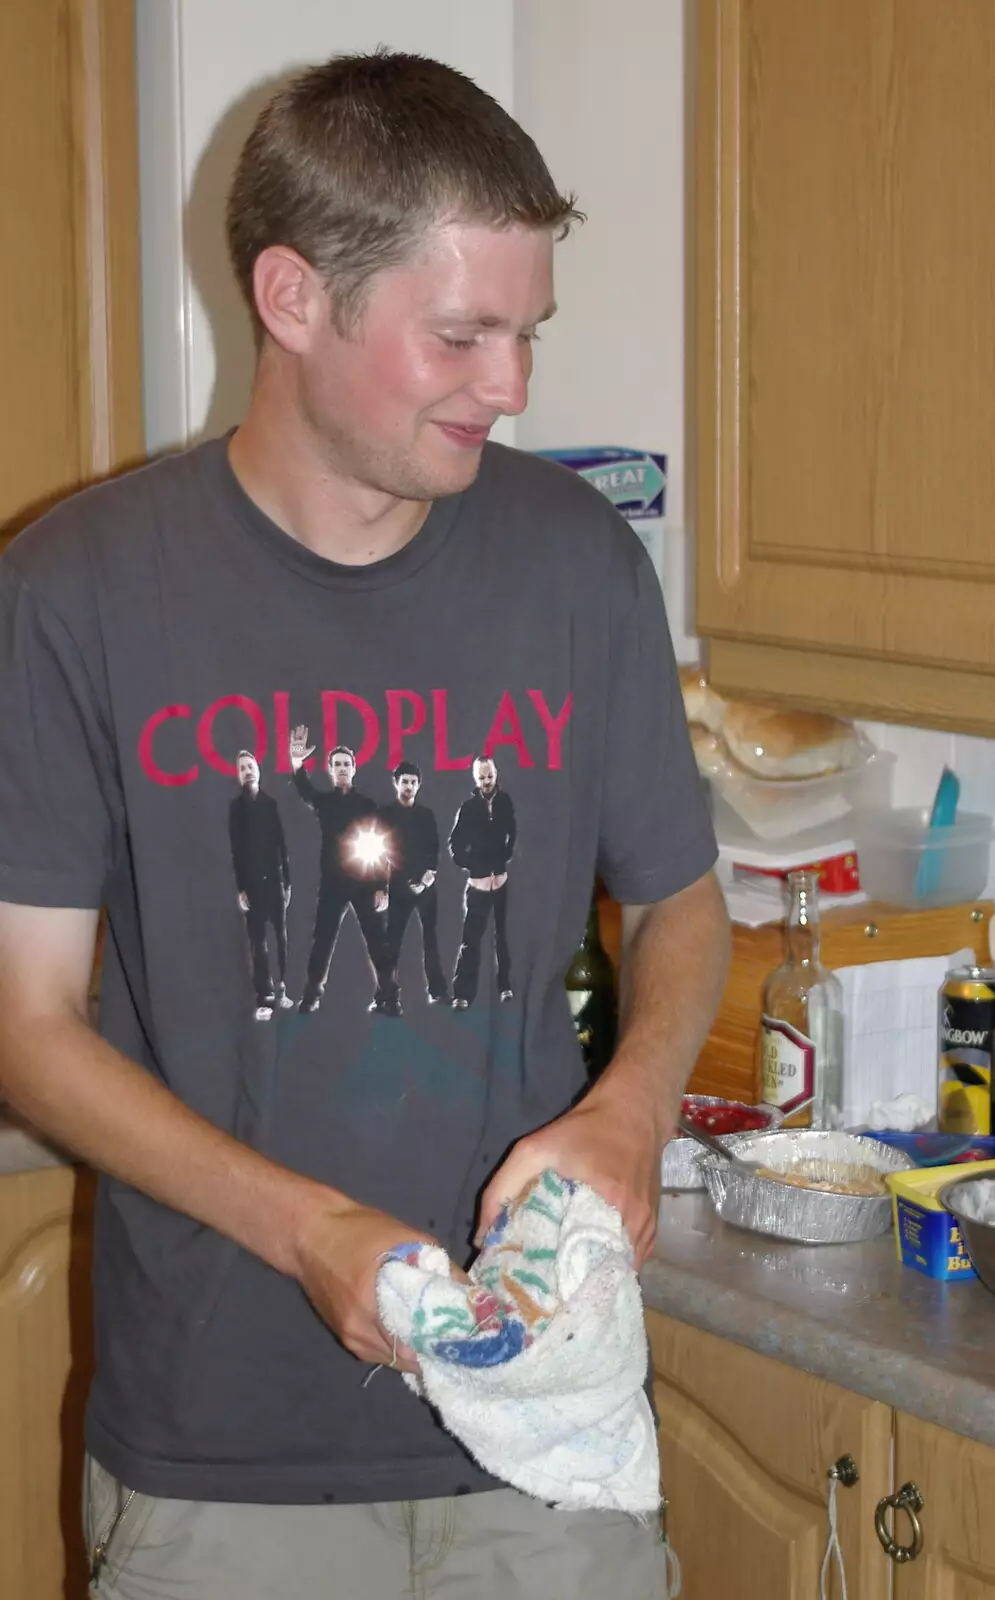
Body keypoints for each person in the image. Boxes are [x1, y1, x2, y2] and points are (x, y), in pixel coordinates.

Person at [0, 49, 730, 1600]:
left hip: (549, 1436)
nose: (512, 386)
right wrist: (309, 1229)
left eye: (526, 331)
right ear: (290, 298)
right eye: (459, 334)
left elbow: (678, 903)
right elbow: (27, 1026)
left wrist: (629, 1109)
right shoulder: (76, 594)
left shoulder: (575, 564)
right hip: (221, 1459)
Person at [290, 727, 398, 1017]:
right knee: (322, 939)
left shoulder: (366, 805)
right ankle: (311, 996)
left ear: (354, 769)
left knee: (377, 941)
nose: (341, 768)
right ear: (329, 770)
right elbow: (305, 791)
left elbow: (381, 845)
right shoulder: (324, 802)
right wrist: (297, 763)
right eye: (336, 764)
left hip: (364, 882)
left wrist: (382, 887)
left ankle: (390, 998)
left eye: (346, 764)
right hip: (333, 884)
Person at [228, 749, 293, 1019]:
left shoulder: (270, 804)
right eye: (241, 767)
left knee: (280, 936)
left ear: (258, 769)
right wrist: (240, 888)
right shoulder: (236, 808)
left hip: (274, 881)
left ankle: (282, 988)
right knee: (257, 940)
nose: (247, 770)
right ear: (238, 775)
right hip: (251, 884)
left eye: (250, 765)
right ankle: (264, 996)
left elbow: (281, 845)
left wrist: (287, 883)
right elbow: (236, 850)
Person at [378, 760, 447, 1004]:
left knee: (431, 938)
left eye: (413, 782)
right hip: (398, 886)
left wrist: (429, 875)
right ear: (396, 784)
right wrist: (387, 885)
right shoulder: (386, 814)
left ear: (419, 785)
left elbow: (434, 849)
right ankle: (385, 994)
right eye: (404, 781)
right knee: (392, 943)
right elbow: (381, 852)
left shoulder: (426, 815)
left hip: (426, 887)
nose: (409, 786)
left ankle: (437, 991)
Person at [449, 755, 516, 1007]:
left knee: (504, 938)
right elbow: (454, 845)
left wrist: (504, 857)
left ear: (496, 774)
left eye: (490, 776)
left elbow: (513, 831)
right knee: (470, 941)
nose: (487, 781)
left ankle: (506, 987)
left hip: (500, 882)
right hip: (477, 885)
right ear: (475, 779)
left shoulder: (505, 802)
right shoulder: (467, 808)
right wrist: (473, 866)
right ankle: (462, 994)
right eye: (482, 777)